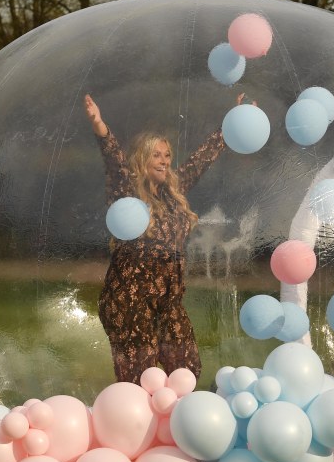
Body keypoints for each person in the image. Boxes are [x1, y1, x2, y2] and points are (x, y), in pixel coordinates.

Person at [85, 93, 237, 384]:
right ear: (143, 159)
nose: (164, 161)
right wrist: (99, 124)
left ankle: (176, 427)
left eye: (167, 155)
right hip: (129, 297)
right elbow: (114, 158)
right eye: (157, 155)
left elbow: (199, 161)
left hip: (168, 299)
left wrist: (230, 126)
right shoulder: (126, 189)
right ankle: (136, 427)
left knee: (186, 368)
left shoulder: (172, 191)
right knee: (140, 377)